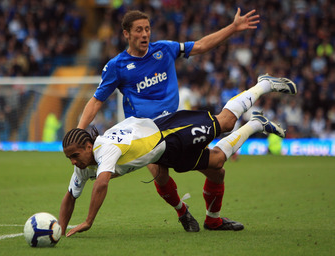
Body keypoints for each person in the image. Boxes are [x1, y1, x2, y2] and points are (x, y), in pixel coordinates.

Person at [76, 9, 260, 232]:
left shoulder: (164, 49)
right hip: (146, 134)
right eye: (138, 30)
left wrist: (232, 28)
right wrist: (78, 132)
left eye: (147, 29)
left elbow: (200, 46)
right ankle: (182, 212)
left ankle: (213, 219)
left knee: (217, 171)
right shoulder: (117, 66)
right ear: (126, 34)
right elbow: (96, 101)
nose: (145, 34)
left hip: (177, 125)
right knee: (160, 174)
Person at [59, 74, 297, 236]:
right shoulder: (82, 165)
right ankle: (255, 124)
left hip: (169, 132)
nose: (73, 161)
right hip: (162, 152)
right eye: (69, 157)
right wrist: (59, 228)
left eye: (74, 155)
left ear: (89, 147)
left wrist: (89, 221)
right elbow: (71, 195)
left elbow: (101, 184)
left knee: (225, 122)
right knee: (216, 161)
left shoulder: (105, 150)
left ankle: (263, 85)